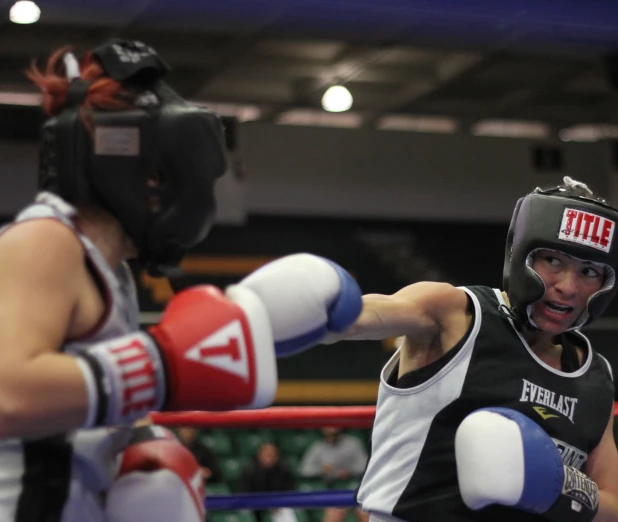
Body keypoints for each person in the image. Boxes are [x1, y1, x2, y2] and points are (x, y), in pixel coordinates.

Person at [0, 39, 362, 522]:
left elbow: (97, 406)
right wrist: (164, 364)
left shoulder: (113, 272)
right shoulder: (46, 240)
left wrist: (149, 445)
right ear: (143, 174)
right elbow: (8, 394)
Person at [323, 176, 618, 522]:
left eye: (589, 271)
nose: (568, 287)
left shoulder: (594, 376)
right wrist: (311, 307)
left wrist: (557, 484)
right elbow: (358, 317)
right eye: (554, 262)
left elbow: (614, 512)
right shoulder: (456, 313)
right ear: (521, 255)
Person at [299, 427, 370, 522]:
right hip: (329, 488)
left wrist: (349, 471)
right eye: (328, 428)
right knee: (333, 513)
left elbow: (364, 465)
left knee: (364, 511)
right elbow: (305, 470)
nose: (331, 430)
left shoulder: (352, 443)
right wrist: (322, 470)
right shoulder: (318, 447)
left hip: (352, 486)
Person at [239, 442, 297, 522]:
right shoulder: (250, 470)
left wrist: (278, 503)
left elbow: (290, 490)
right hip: (254, 504)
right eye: (266, 455)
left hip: (278, 505)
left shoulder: (283, 469)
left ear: (276, 457)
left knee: (287, 511)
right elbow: (246, 493)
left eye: (271, 455)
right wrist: (267, 504)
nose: (268, 458)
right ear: (259, 456)